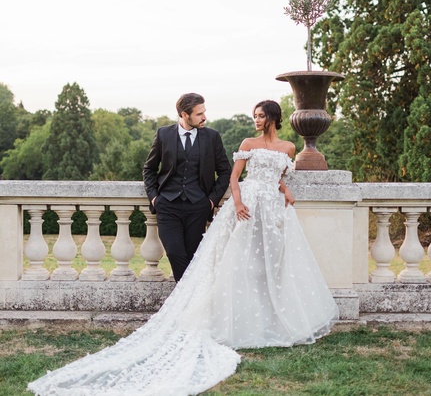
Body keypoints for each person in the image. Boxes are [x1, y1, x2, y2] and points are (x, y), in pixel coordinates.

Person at [28, 100, 339, 396]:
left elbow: (274, 175)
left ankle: (264, 318)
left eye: (260, 115)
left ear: (272, 118)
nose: (255, 120)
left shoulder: (284, 147)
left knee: (268, 264)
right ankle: (200, 310)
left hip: (268, 209)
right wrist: (231, 202)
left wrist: (282, 190)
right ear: (185, 113)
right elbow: (228, 176)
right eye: (254, 115)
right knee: (219, 261)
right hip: (227, 206)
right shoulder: (237, 142)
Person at [142, 92, 231, 282]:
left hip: (198, 207)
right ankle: (188, 297)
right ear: (184, 114)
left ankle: (186, 299)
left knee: (193, 257)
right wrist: (155, 198)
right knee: (175, 253)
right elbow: (149, 169)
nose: (204, 117)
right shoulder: (164, 134)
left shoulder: (212, 137)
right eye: (199, 114)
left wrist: (210, 201)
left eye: (204, 112)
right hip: (168, 205)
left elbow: (225, 172)